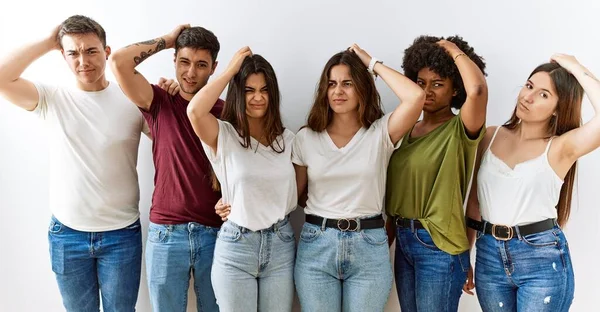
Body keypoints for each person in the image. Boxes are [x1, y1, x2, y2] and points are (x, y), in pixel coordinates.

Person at [0, 15, 152, 312]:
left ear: (107, 53)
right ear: (63, 56)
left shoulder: (133, 100)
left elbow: (175, 140)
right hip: (67, 236)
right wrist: (48, 41)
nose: (83, 61)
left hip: (121, 235)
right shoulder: (52, 98)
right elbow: (2, 79)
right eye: (73, 53)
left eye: (91, 51)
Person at [292, 44, 425, 311]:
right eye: (331, 83)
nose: (338, 91)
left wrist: (371, 62)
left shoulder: (380, 133)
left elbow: (416, 97)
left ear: (362, 87)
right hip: (317, 244)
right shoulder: (306, 138)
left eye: (348, 83)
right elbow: (295, 195)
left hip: (369, 245)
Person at [467, 54, 599, 312]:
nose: (527, 97)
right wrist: (464, 256)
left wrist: (574, 67)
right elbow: (474, 202)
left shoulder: (561, 148)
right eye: (529, 86)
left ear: (559, 108)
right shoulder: (490, 136)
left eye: (543, 95)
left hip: (540, 258)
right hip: (489, 257)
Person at [110, 25, 223, 311]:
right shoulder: (159, 101)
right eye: (184, 62)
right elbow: (119, 62)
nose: (190, 73)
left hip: (216, 233)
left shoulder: (226, 111)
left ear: (214, 68)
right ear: (174, 61)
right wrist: (168, 40)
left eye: (201, 65)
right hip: (166, 233)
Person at [187, 47, 297, 312]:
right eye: (249, 90)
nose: (258, 98)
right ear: (238, 93)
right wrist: (230, 71)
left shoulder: (289, 140)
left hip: (280, 245)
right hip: (236, 246)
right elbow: (195, 112)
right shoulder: (222, 135)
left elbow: (297, 194)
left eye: (264, 90)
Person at [384, 35, 487, 312]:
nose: (428, 91)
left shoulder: (461, 130)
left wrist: (452, 50)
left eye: (438, 84)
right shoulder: (405, 129)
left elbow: (477, 90)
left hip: (438, 245)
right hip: (404, 241)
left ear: (455, 90)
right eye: (421, 83)